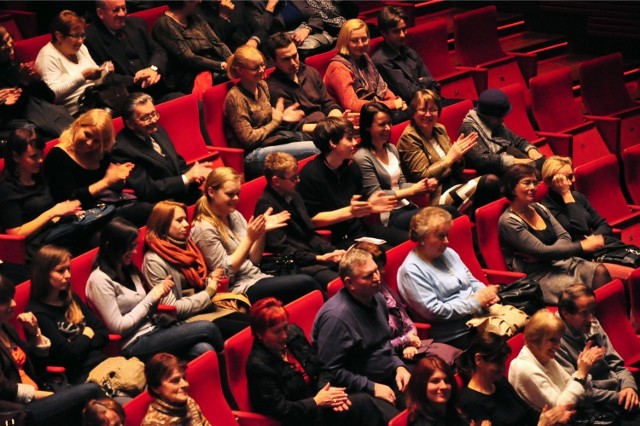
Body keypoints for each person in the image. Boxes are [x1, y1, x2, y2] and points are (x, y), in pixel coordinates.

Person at [86, 217, 224, 360]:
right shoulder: (99, 281)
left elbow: (145, 310)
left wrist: (158, 296)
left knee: (204, 349)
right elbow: (118, 328)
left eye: (135, 246)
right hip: (133, 343)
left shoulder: (128, 269)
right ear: (113, 246)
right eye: (129, 247)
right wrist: (151, 298)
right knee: (209, 328)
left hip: (155, 328)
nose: (134, 252)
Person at [191, 167, 324, 304]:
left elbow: (254, 260)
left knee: (311, 279)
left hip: (258, 276)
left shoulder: (233, 215)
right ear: (211, 192)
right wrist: (249, 238)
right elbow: (225, 274)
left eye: (238, 193)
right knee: (306, 283)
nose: (236, 198)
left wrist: (260, 233)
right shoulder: (203, 228)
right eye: (230, 194)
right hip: (239, 288)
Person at [246, 297, 385, 426]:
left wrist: (325, 392)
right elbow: (282, 410)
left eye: (285, 327)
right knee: (363, 406)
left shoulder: (294, 335)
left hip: (320, 404)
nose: (284, 335)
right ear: (259, 334)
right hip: (299, 419)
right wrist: (316, 402)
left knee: (366, 405)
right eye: (277, 332)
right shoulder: (259, 366)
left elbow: (321, 369)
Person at [312, 248, 411, 422]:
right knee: (401, 421)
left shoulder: (377, 298)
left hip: (388, 375)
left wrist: (398, 366)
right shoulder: (336, 319)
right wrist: (372, 387)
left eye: (376, 271)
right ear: (350, 283)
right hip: (359, 391)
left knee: (427, 400)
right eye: (368, 276)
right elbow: (331, 370)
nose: (377, 278)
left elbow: (384, 344)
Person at [0, 274, 105, 425]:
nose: (14, 304)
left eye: (12, 297)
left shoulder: (6, 327)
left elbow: (38, 368)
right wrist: (44, 395)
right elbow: (3, 389)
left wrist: (35, 333)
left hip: (38, 393)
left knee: (90, 408)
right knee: (91, 392)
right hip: (18, 411)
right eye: (4, 301)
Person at [498, 163, 611, 304]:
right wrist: (583, 246)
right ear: (511, 188)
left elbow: (564, 237)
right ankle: (591, 321)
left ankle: (606, 321)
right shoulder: (509, 222)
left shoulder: (539, 208)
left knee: (600, 271)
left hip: (560, 262)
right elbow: (542, 250)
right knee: (579, 292)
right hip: (538, 275)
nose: (533, 187)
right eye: (526, 183)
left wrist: (550, 253)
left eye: (534, 182)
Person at [143, 200, 250, 340]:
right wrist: (209, 291)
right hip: (186, 320)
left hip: (205, 307)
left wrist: (210, 280)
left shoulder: (187, 247)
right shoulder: (153, 261)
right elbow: (172, 308)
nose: (186, 224)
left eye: (186, 219)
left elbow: (195, 285)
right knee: (251, 329)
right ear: (163, 225)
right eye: (179, 220)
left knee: (256, 321)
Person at [296, 116, 407, 250]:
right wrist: (351, 212)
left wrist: (369, 207)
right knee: (385, 253)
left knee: (410, 241)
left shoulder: (352, 167)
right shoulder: (310, 174)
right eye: (349, 139)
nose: (355, 142)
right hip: (335, 240)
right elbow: (311, 220)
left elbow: (360, 205)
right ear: (333, 143)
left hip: (360, 230)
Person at [398, 207, 500, 349]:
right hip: (454, 334)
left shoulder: (448, 253)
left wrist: (486, 294)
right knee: (497, 348)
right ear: (422, 237)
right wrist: (476, 302)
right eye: (440, 236)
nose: (446, 241)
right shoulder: (411, 271)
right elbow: (435, 311)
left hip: (479, 317)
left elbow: (471, 280)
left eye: (447, 235)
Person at [397, 89, 501, 216]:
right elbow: (422, 176)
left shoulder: (440, 129)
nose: (428, 114)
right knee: (490, 182)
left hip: (457, 183)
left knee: (497, 184)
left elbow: (457, 167)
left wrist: (459, 158)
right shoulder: (409, 138)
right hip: (435, 195)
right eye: (423, 109)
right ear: (413, 113)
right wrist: (450, 159)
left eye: (433, 109)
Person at [43, 109, 153, 228]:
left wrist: (118, 179)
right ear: (77, 125)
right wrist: (106, 182)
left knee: (154, 209)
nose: (90, 143)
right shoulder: (58, 156)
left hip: (107, 207)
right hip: (83, 218)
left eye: (96, 141)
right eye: (87, 135)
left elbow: (113, 186)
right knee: (145, 211)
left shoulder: (99, 152)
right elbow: (68, 201)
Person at [223, 44, 319, 179]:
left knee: (322, 139)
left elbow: (271, 118)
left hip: (272, 141)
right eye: (255, 68)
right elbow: (248, 140)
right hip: (252, 155)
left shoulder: (262, 85)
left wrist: (283, 117)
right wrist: (276, 121)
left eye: (263, 65)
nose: (262, 70)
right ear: (240, 70)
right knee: (315, 149)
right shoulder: (235, 98)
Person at [254, 152, 344, 289]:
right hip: (296, 266)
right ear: (276, 181)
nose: (298, 181)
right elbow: (284, 250)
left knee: (355, 266)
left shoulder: (294, 194)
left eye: (298, 176)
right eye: (293, 178)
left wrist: (334, 251)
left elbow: (310, 235)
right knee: (341, 282)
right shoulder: (266, 207)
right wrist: (320, 259)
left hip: (313, 257)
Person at [541, 156, 636, 278]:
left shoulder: (578, 197)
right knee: (633, 274)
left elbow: (604, 225)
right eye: (568, 178)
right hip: (584, 261)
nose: (574, 180)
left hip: (604, 248)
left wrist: (593, 239)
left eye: (572, 175)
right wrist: (566, 195)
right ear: (551, 182)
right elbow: (580, 229)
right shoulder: (548, 209)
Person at [0, 127, 86, 259]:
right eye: (33, 156)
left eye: (41, 154)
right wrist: (53, 212)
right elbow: (15, 234)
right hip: (36, 249)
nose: (40, 160)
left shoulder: (39, 176)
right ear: (16, 157)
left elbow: (49, 214)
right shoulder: (7, 188)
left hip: (55, 234)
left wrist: (65, 213)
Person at [111, 92, 212, 204]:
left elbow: (178, 165)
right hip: (163, 205)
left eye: (154, 114)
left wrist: (197, 175)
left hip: (182, 193)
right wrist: (186, 178)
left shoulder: (158, 131)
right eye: (145, 117)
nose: (153, 120)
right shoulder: (121, 150)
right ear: (130, 124)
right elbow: (147, 190)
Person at [556, 284, 640, 417]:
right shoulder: (554, 341)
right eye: (584, 313)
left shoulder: (591, 323)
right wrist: (619, 397)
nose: (591, 318)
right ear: (566, 313)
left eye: (593, 311)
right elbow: (577, 391)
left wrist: (629, 387)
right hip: (598, 406)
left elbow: (617, 365)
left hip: (620, 391)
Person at [27, 245, 108, 383]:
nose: (68, 275)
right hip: (82, 375)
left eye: (68, 269)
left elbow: (102, 331)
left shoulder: (71, 298)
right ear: (43, 274)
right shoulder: (39, 313)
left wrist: (78, 345)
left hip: (104, 363)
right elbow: (67, 356)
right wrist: (87, 334)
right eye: (61, 271)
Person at [458, 332, 574, 426]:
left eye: (503, 363)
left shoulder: (499, 381)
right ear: (479, 360)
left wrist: (552, 417)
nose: (503, 368)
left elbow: (527, 411)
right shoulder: (471, 403)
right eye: (498, 363)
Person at [354, 102, 435, 231]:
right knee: (440, 216)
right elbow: (377, 196)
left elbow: (401, 183)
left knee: (445, 215)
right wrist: (412, 190)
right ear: (367, 127)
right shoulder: (362, 157)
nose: (387, 128)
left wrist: (422, 186)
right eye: (382, 124)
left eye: (389, 123)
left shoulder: (391, 148)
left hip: (406, 207)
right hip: (388, 216)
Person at [85, 0, 184, 103]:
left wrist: (153, 69)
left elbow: (158, 50)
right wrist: (136, 80)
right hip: (128, 98)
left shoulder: (136, 24)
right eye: (116, 10)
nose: (122, 14)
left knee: (185, 102)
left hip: (158, 88)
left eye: (124, 8)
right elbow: (103, 77)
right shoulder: (91, 39)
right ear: (100, 13)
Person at [509, 309, 604, 413]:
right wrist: (581, 373)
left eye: (559, 340)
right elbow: (560, 409)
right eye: (553, 340)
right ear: (534, 339)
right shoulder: (524, 369)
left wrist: (583, 369)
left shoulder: (543, 357)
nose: (558, 346)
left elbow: (574, 388)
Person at [265, 32, 354, 137]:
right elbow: (297, 126)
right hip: (307, 135)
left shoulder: (310, 72)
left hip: (328, 127)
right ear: (273, 61)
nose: (293, 63)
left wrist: (338, 120)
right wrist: (330, 127)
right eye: (286, 59)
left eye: (295, 56)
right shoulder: (273, 88)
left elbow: (328, 104)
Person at [324, 19, 408, 123]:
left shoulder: (364, 57)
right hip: (352, 121)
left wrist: (395, 101)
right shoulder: (338, 67)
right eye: (355, 40)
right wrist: (391, 105)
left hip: (373, 111)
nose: (360, 44)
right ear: (345, 41)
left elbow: (382, 88)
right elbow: (352, 105)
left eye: (364, 39)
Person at [35, 10, 115, 116]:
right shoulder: (47, 56)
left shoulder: (81, 48)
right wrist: (83, 77)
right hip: (75, 113)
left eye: (82, 35)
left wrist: (105, 73)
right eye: (76, 36)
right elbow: (52, 94)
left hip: (98, 101)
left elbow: (95, 82)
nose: (81, 41)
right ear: (59, 36)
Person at [0, 26, 73, 139]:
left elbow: (49, 97)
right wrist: (5, 104)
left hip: (43, 114)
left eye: (9, 38)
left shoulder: (15, 66)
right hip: (19, 126)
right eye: (3, 44)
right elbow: (14, 113)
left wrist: (38, 80)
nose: (9, 45)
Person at [459, 88, 545, 176]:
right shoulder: (469, 128)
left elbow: (518, 140)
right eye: (498, 117)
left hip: (511, 162)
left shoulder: (495, 123)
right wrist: (517, 161)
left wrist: (533, 151)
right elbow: (483, 160)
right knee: (535, 170)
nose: (502, 120)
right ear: (486, 116)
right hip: (494, 171)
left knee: (543, 162)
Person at [152, 0, 231, 94]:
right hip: (189, 74)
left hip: (212, 64)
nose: (200, 1)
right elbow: (188, 58)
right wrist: (221, 65)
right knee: (231, 77)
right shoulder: (164, 24)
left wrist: (232, 59)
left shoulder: (196, 17)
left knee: (243, 68)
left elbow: (217, 43)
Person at [372, 7, 441, 105]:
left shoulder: (409, 51)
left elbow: (434, 84)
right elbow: (409, 94)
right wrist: (426, 82)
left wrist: (421, 82)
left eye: (404, 29)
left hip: (430, 102)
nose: (402, 35)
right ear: (384, 33)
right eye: (396, 31)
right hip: (411, 110)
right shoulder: (381, 61)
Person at [244, 0, 333, 58]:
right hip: (286, 43)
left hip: (308, 33)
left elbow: (315, 16)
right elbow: (262, 32)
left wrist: (307, 29)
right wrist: (271, 6)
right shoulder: (254, 3)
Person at [142, 352, 209, 425]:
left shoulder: (189, 402)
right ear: (156, 388)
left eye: (184, 378)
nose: (185, 384)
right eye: (175, 381)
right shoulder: (153, 423)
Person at [404, 355, 467, 425]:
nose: (444, 386)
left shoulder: (451, 410)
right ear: (421, 385)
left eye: (446, 381)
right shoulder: (420, 423)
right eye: (435, 381)